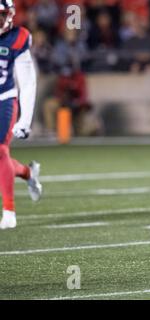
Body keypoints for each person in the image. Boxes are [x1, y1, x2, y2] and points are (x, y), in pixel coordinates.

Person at [0, 0, 42, 230]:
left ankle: (9, 212)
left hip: (3, 99)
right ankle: (27, 173)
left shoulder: (17, 37)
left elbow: (27, 82)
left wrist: (25, 120)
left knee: (0, 151)